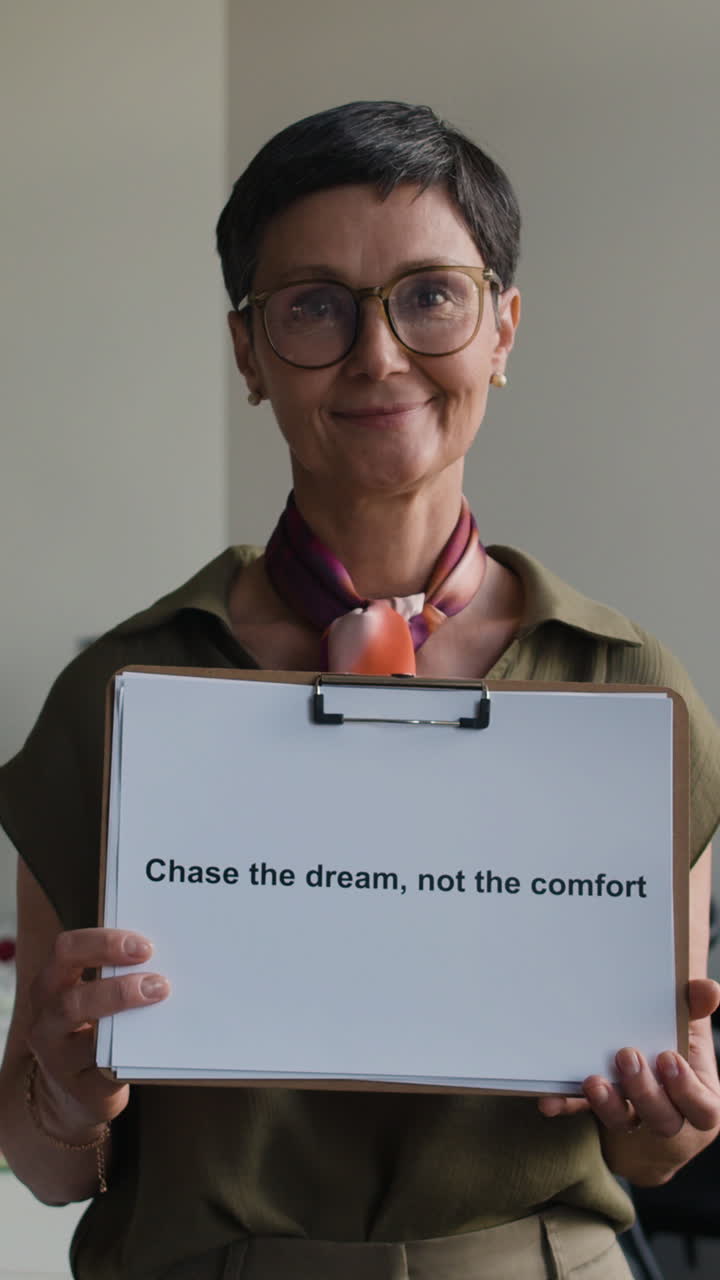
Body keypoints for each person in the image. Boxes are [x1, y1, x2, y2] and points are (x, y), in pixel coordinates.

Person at [0, 100, 719, 1280]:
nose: (379, 353)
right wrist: (68, 1094)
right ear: (247, 351)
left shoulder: (627, 690)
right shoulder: (122, 694)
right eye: (315, 307)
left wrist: (671, 1118)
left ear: (503, 328)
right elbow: (43, 1161)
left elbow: (655, 1152)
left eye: (431, 295)